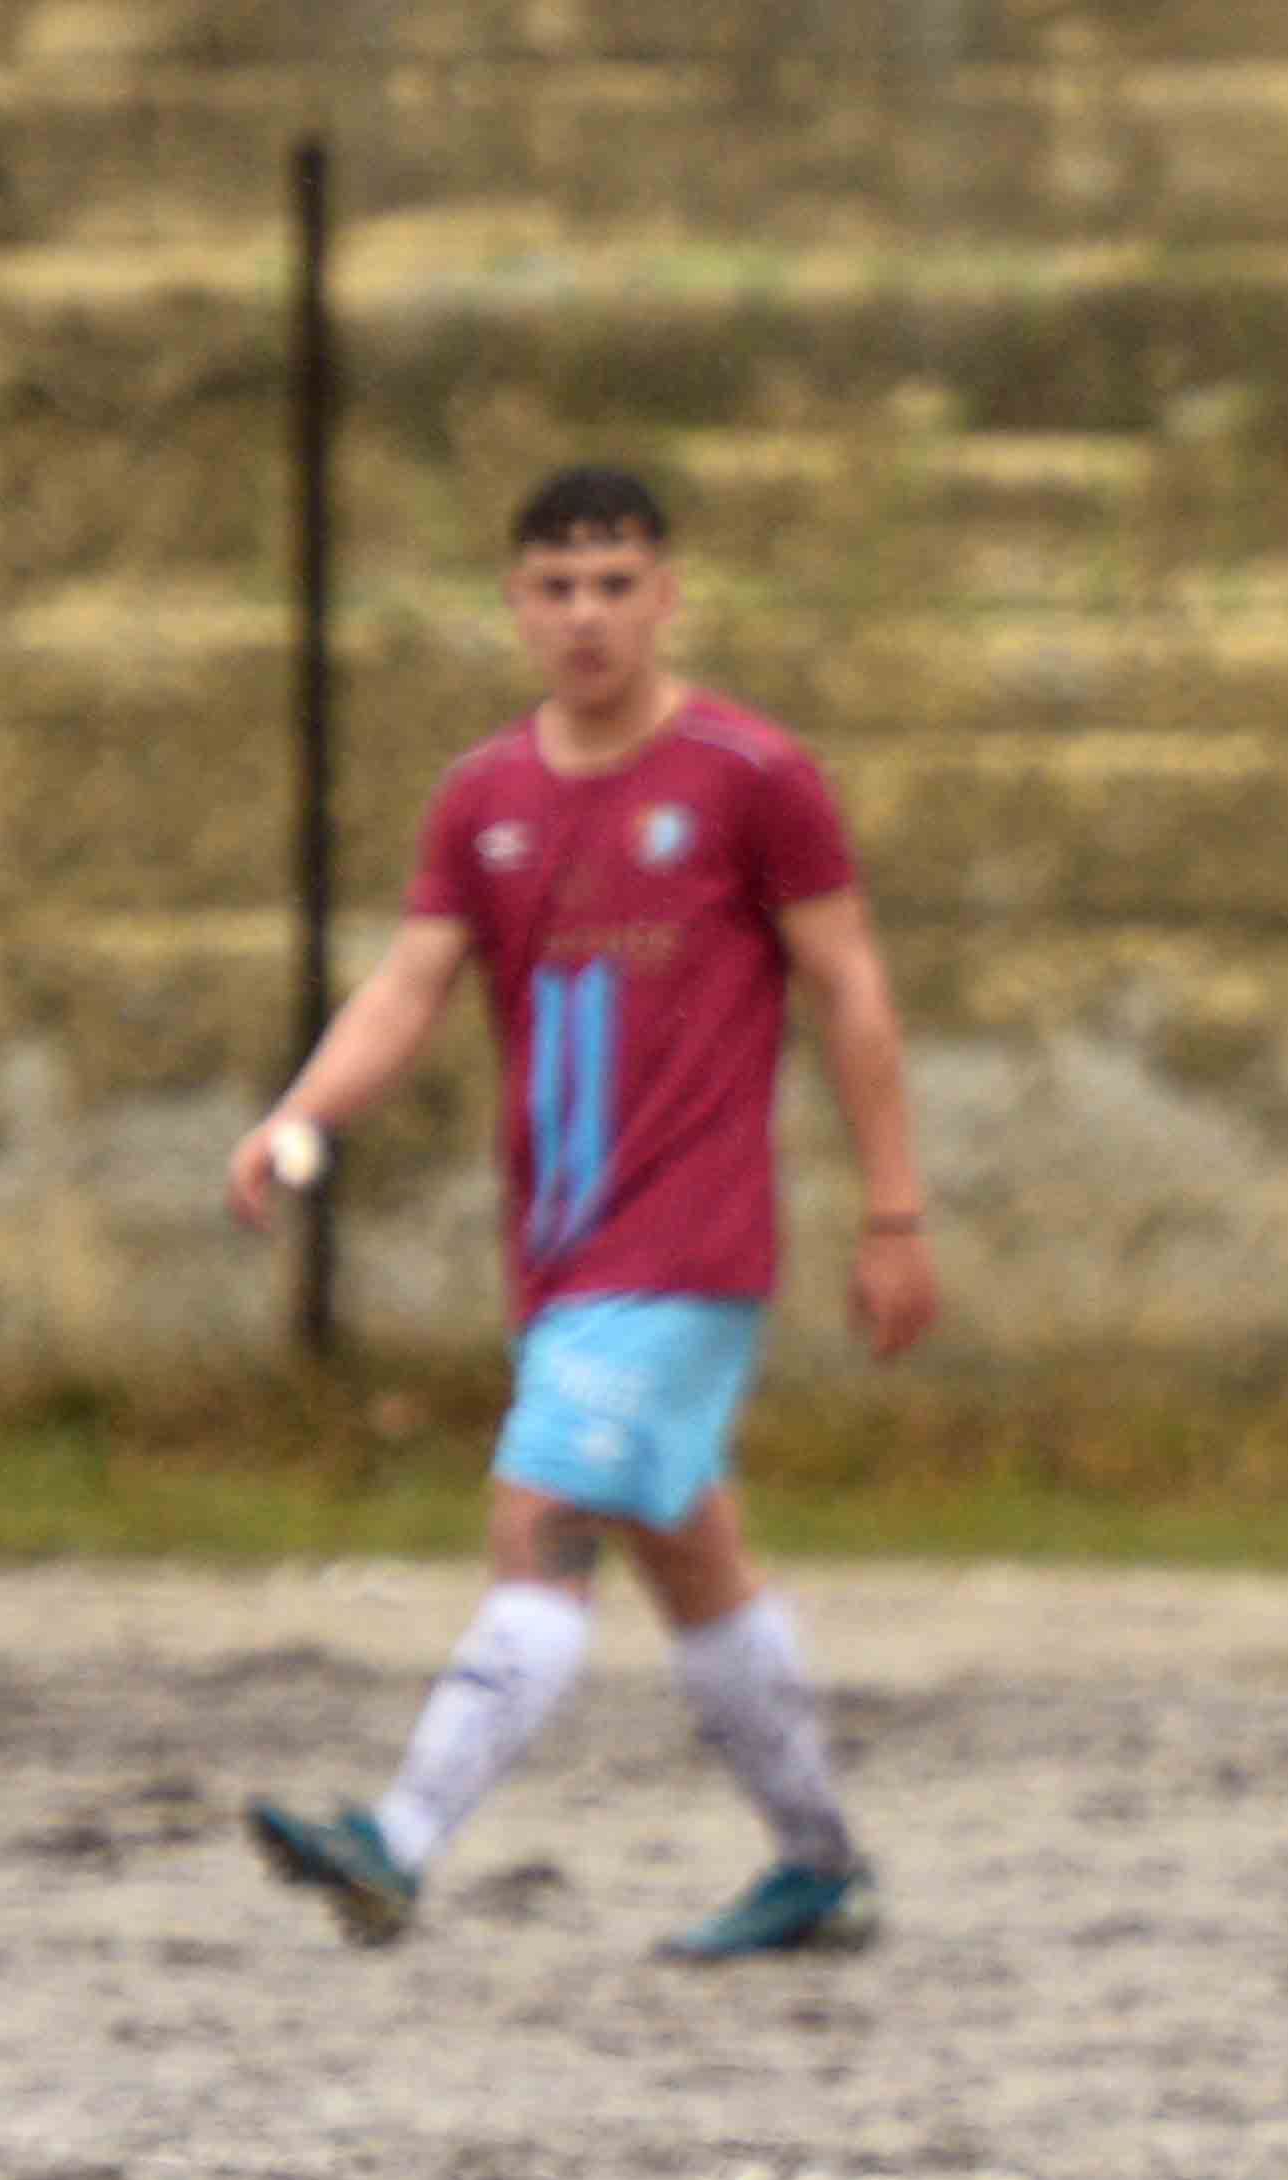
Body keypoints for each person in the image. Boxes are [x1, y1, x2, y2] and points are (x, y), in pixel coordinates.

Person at [227, 465, 939, 1961]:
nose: (587, 615)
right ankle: (821, 1867)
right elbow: (411, 984)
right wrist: (303, 1116)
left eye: (616, 584)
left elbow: (850, 987)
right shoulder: (483, 796)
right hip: (562, 1250)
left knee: (539, 1517)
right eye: (556, 588)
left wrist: (893, 1214)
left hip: (687, 1249)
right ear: (517, 605)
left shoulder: (752, 775)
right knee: (691, 1560)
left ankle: (396, 1842)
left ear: (667, 596)